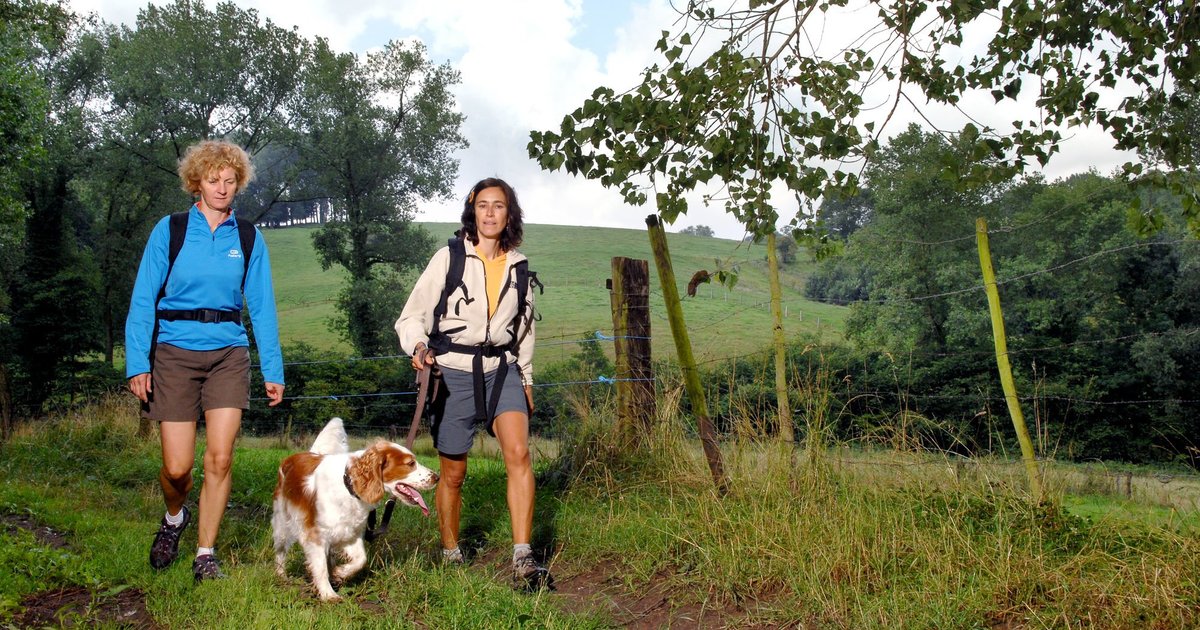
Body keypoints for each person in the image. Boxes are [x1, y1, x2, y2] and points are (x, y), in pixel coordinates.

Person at [125, 139, 285, 583]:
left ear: (239, 184)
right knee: (177, 469)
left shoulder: (248, 237)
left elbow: (263, 307)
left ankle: (205, 553)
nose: (222, 188)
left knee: (219, 458)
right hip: (174, 353)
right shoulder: (171, 230)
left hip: (228, 355)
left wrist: (273, 370)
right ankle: (175, 517)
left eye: (230, 181)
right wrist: (138, 362)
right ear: (196, 183)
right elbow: (142, 299)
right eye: (213, 180)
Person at [395, 177, 548, 589]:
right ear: (473, 210)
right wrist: (418, 346)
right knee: (454, 473)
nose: (491, 213)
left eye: (499, 206)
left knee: (518, 454)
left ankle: (523, 557)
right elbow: (411, 316)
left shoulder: (519, 267)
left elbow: (525, 330)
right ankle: (450, 552)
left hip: (503, 370)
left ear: (509, 213)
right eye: (484, 205)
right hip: (453, 370)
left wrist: (527, 378)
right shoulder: (449, 258)